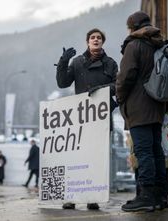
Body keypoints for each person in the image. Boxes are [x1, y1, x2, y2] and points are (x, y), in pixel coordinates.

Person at [56, 28, 118, 210]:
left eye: (99, 38)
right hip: (80, 118)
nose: (96, 40)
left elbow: (118, 85)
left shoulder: (111, 63)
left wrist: (101, 90)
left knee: (96, 159)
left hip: (101, 118)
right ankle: (71, 197)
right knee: (76, 159)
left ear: (102, 42)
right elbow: (62, 83)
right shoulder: (76, 62)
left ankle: (93, 196)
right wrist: (63, 61)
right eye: (92, 37)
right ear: (87, 42)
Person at [116, 11, 168, 212]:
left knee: (144, 152)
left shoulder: (134, 45)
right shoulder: (158, 44)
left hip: (139, 107)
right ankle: (160, 196)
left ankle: (145, 196)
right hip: (157, 106)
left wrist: (120, 96)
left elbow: (125, 76)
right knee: (156, 152)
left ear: (132, 27)